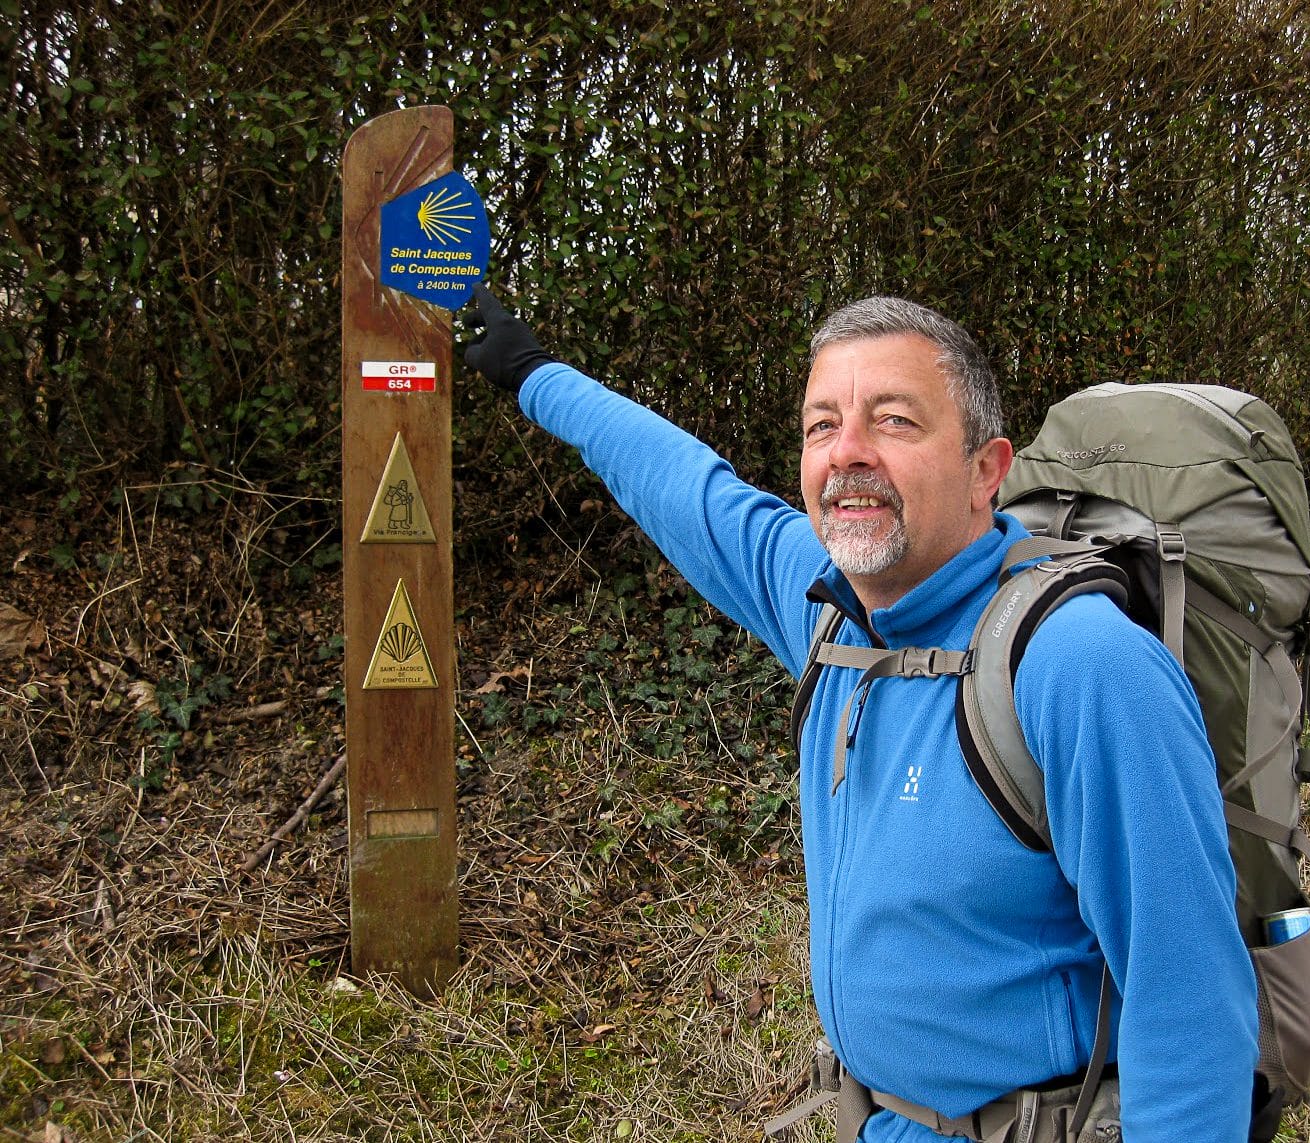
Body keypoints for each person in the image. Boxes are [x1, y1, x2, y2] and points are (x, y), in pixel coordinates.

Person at [462, 284, 1258, 1142]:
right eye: (821, 425)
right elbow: (684, 486)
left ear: (986, 470)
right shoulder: (831, 613)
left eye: (893, 421)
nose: (848, 453)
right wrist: (532, 373)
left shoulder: (1079, 666)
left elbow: (1193, 1007)